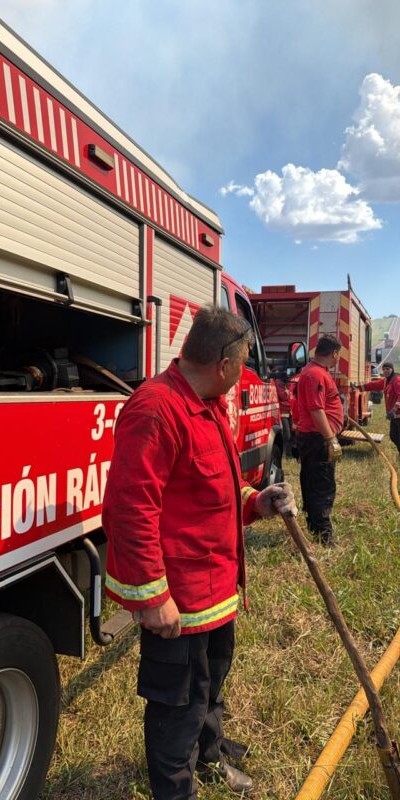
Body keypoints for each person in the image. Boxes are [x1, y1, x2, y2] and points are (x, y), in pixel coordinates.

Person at [102, 306, 297, 800]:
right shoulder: (156, 409)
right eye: (244, 362)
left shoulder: (206, 404)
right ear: (224, 363)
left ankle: (209, 756)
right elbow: (130, 510)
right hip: (180, 604)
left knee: (211, 683)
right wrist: (154, 597)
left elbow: (212, 492)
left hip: (214, 595)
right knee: (177, 707)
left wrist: (258, 503)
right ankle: (175, 789)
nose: (243, 372)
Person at [295, 335, 344, 547]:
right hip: (318, 440)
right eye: (337, 355)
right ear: (333, 353)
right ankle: (324, 536)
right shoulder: (315, 374)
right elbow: (316, 410)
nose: (337, 359)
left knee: (312, 482)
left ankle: (315, 526)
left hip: (313, 438)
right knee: (322, 486)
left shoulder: (314, 372)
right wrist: (331, 439)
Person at [359, 362, 400, 456]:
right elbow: (374, 385)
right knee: (394, 436)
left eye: (388, 369)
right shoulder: (386, 381)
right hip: (394, 415)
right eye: (384, 369)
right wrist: (360, 387)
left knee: (396, 436)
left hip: (397, 413)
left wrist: (394, 409)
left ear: (392, 369)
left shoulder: (396, 380)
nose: (386, 371)